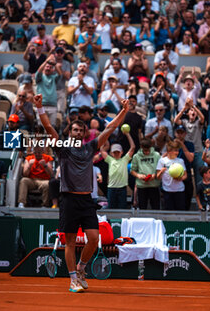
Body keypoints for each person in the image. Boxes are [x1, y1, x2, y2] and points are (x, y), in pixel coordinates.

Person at [33, 93, 130, 293]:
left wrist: (124, 111)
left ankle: (81, 268)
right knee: (69, 242)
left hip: (87, 200)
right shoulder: (61, 149)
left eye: (80, 130)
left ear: (84, 134)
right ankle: (72, 279)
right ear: (70, 132)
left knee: (93, 238)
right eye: (74, 130)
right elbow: (49, 128)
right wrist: (40, 107)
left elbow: (110, 128)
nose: (77, 132)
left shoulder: (90, 147)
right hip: (68, 199)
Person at [174, 98, 204, 189]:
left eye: (195, 111)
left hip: (198, 152)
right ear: (188, 113)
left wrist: (193, 106)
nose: (193, 112)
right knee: (185, 176)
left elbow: (202, 118)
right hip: (187, 152)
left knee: (199, 178)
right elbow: (176, 120)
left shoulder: (199, 122)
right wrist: (185, 108)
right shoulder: (184, 122)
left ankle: (201, 199)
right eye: (191, 111)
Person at [101, 133, 135, 209]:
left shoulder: (125, 159)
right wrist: (105, 136)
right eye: (114, 152)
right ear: (111, 153)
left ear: (122, 152)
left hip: (122, 188)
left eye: (118, 152)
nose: (116, 154)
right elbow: (102, 149)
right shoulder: (110, 159)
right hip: (111, 188)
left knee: (122, 208)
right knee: (111, 208)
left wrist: (128, 134)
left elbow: (133, 147)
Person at [131, 138, 161, 210]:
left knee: (156, 207)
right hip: (141, 186)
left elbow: (160, 169)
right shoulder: (136, 156)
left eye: (148, 150)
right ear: (141, 147)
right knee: (142, 208)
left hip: (154, 185)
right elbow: (132, 171)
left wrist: (154, 175)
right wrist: (138, 175)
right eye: (145, 150)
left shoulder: (157, 155)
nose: (147, 152)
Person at [156, 140, 187, 210]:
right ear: (169, 151)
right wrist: (161, 171)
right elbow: (158, 177)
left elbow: (185, 175)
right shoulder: (162, 161)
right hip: (167, 190)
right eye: (175, 151)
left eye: (178, 150)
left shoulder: (180, 161)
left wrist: (181, 178)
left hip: (179, 190)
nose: (177, 152)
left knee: (180, 211)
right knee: (169, 211)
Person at [35, 56, 61, 127]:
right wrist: (46, 61)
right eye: (47, 67)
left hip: (52, 106)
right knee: (40, 126)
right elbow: (38, 71)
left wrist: (54, 63)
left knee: (51, 127)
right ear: (44, 68)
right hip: (41, 105)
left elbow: (60, 74)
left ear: (53, 70)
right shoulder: (40, 77)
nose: (48, 68)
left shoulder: (54, 77)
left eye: (50, 67)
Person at [174, 124, 194, 211]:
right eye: (178, 132)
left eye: (182, 133)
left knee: (187, 196)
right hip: (173, 175)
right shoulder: (171, 144)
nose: (180, 135)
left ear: (185, 134)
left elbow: (190, 159)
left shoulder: (189, 144)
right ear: (175, 133)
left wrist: (182, 144)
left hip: (186, 174)